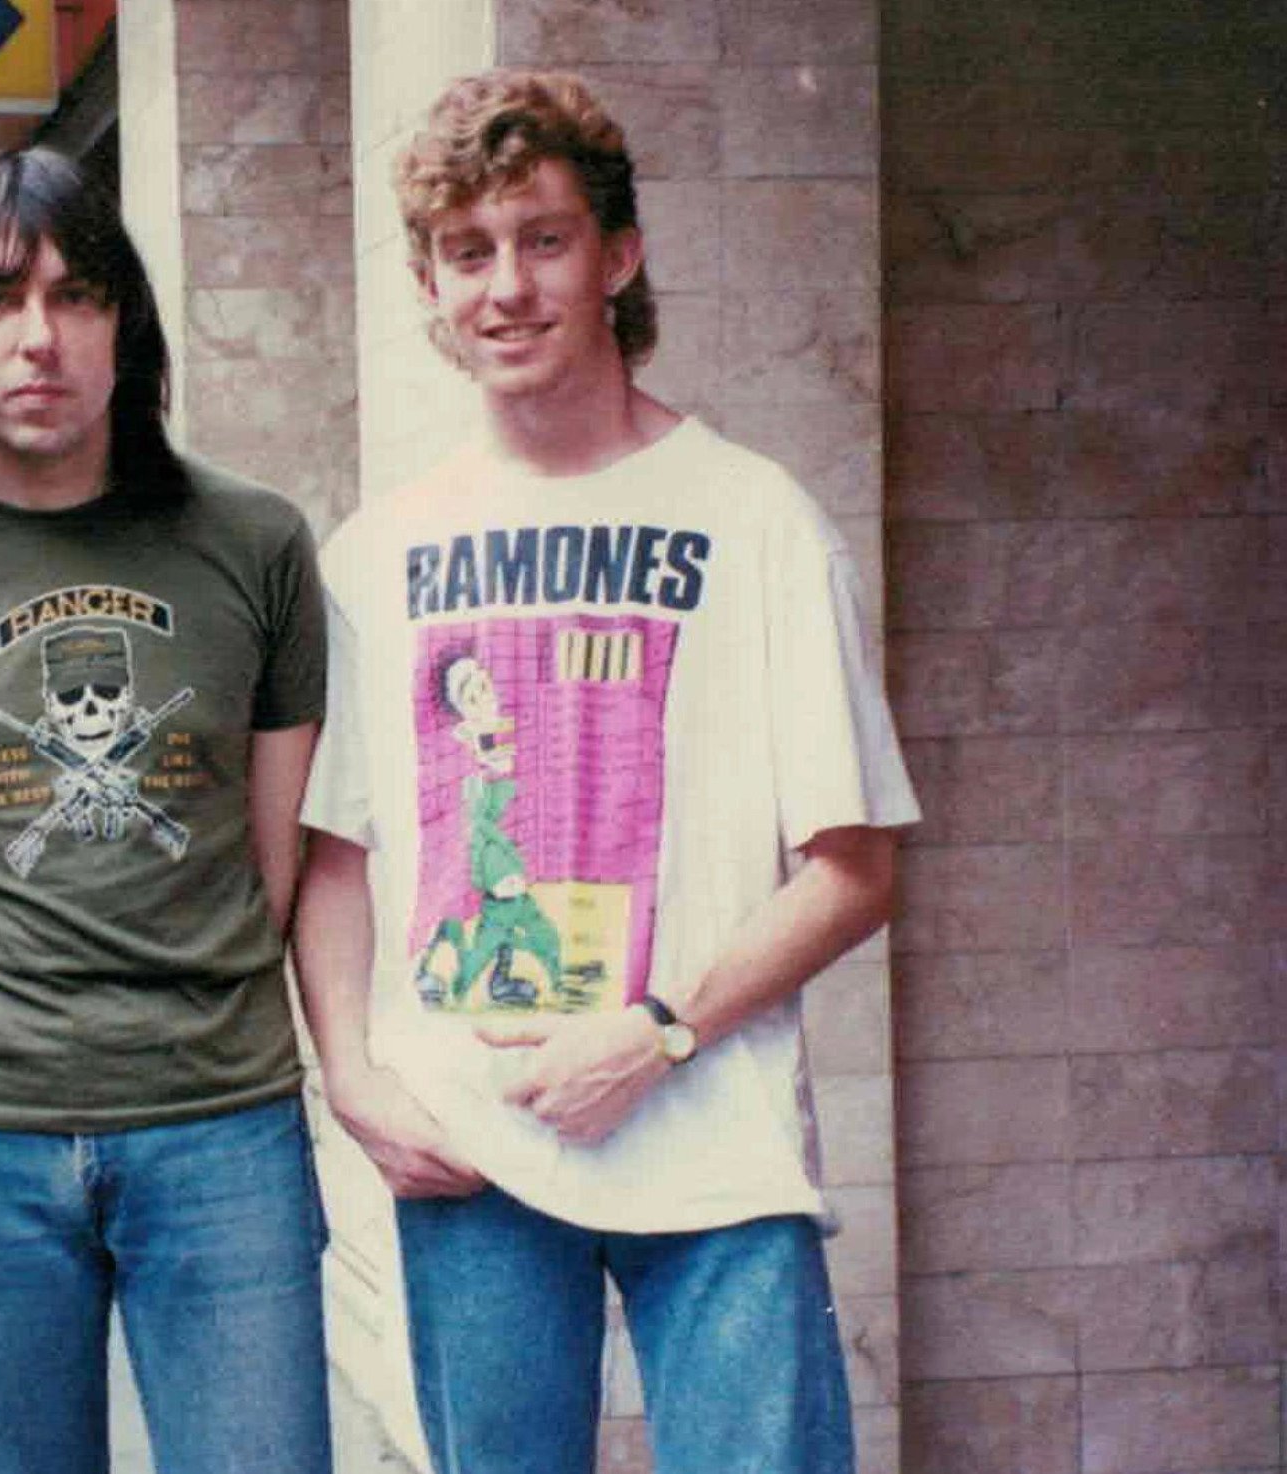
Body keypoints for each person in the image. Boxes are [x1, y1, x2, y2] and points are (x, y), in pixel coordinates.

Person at [293, 70, 920, 1474]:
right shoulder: (377, 555)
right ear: (429, 285)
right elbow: (334, 853)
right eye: (467, 252)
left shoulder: (755, 519)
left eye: (544, 239)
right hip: (473, 1149)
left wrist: (658, 1031)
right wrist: (354, 1075)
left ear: (619, 255)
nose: (507, 287)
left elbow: (855, 867)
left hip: (713, 1147)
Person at [0, 147, 332, 1474]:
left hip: (224, 1130)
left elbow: (275, 864)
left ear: (124, 323)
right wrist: (8, 1049)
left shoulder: (259, 542)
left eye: (75, 294)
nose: (37, 336)